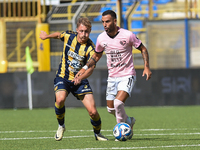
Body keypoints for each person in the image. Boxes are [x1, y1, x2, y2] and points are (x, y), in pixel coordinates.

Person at [74, 10, 152, 139]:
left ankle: (121, 132)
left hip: (127, 75)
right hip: (112, 77)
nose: (105, 24)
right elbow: (97, 55)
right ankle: (128, 121)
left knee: (118, 104)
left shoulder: (128, 35)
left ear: (115, 21)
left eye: (108, 21)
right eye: (103, 22)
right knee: (111, 109)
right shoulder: (101, 38)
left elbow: (143, 48)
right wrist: (85, 67)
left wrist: (147, 67)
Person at [39, 17, 108, 141]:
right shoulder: (69, 36)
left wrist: (81, 77)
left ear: (90, 31)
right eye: (81, 31)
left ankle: (97, 134)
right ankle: (61, 126)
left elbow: (91, 68)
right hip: (63, 77)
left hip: (80, 81)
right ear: (77, 30)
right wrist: (47, 36)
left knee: (93, 112)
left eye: (86, 31)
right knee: (59, 100)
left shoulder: (91, 48)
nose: (83, 34)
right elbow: (58, 35)